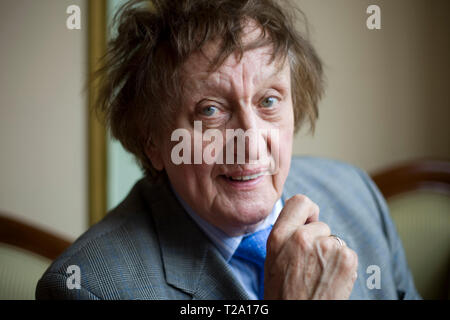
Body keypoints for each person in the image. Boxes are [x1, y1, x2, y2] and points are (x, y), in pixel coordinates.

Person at [36, 0, 420, 300]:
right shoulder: (89, 288)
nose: (250, 142)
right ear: (153, 141)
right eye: (211, 110)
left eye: (269, 101)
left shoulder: (357, 193)